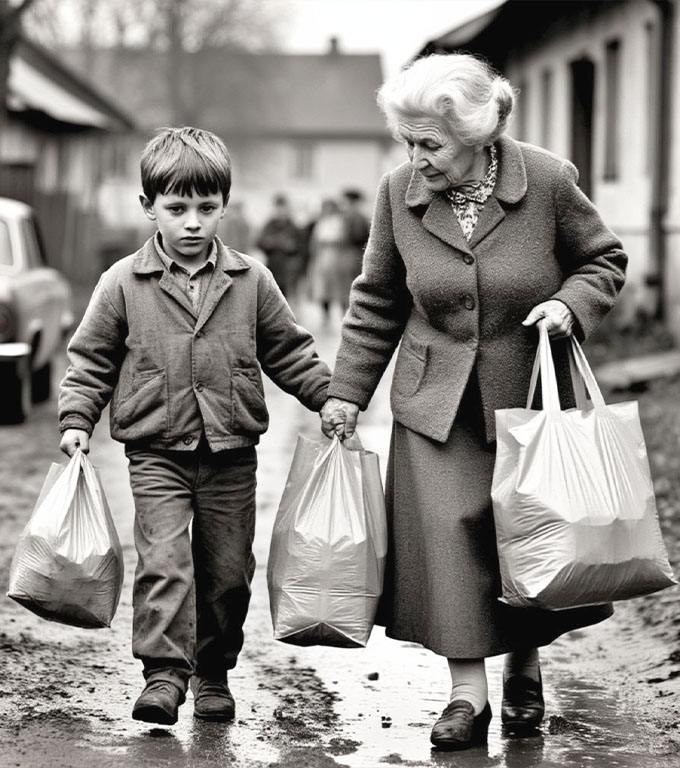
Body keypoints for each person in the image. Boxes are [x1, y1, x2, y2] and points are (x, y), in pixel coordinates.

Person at [320, 54, 627, 751]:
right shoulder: (398, 192)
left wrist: (568, 304)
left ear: (480, 133)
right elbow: (377, 301)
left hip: (529, 393)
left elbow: (603, 260)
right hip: (434, 402)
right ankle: (466, 695)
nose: (416, 157)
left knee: (523, 539)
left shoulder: (547, 181)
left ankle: (524, 660)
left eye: (431, 143)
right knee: (449, 546)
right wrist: (346, 393)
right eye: (408, 141)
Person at [58, 127, 331, 727]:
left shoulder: (251, 280)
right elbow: (91, 361)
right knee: (165, 562)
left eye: (206, 209)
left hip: (231, 451)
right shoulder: (122, 283)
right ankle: (163, 674)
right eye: (177, 209)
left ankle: (212, 674)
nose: (191, 223)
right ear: (148, 207)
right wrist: (78, 418)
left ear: (224, 207)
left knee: (228, 572)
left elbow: (288, 351)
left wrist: (329, 399)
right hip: (156, 449)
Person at [308, 198, 351, 320]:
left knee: (340, 286)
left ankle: (343, 313)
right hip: (322, 258)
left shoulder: (340, 221)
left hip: (337, 257)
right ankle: (326, 314)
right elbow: (314, 241)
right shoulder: (321, 222)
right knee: (323, 288)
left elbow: (344, 238)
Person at [256, 194, 303, 298]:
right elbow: (260, 242)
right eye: (278, 207)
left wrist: (287, 245)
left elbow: (299, 246)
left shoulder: (292, 225)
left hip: (288, 268)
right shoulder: (269, 224)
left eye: (282, 207)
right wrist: (274, 243)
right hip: (272, 265)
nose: (280, 210)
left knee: (287, 296)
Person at [341, 188, 370, 286]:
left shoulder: (356, 217)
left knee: (351, 280)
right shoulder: (357, 216)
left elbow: (358, 236)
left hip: (353, 252)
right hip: (350, 252)